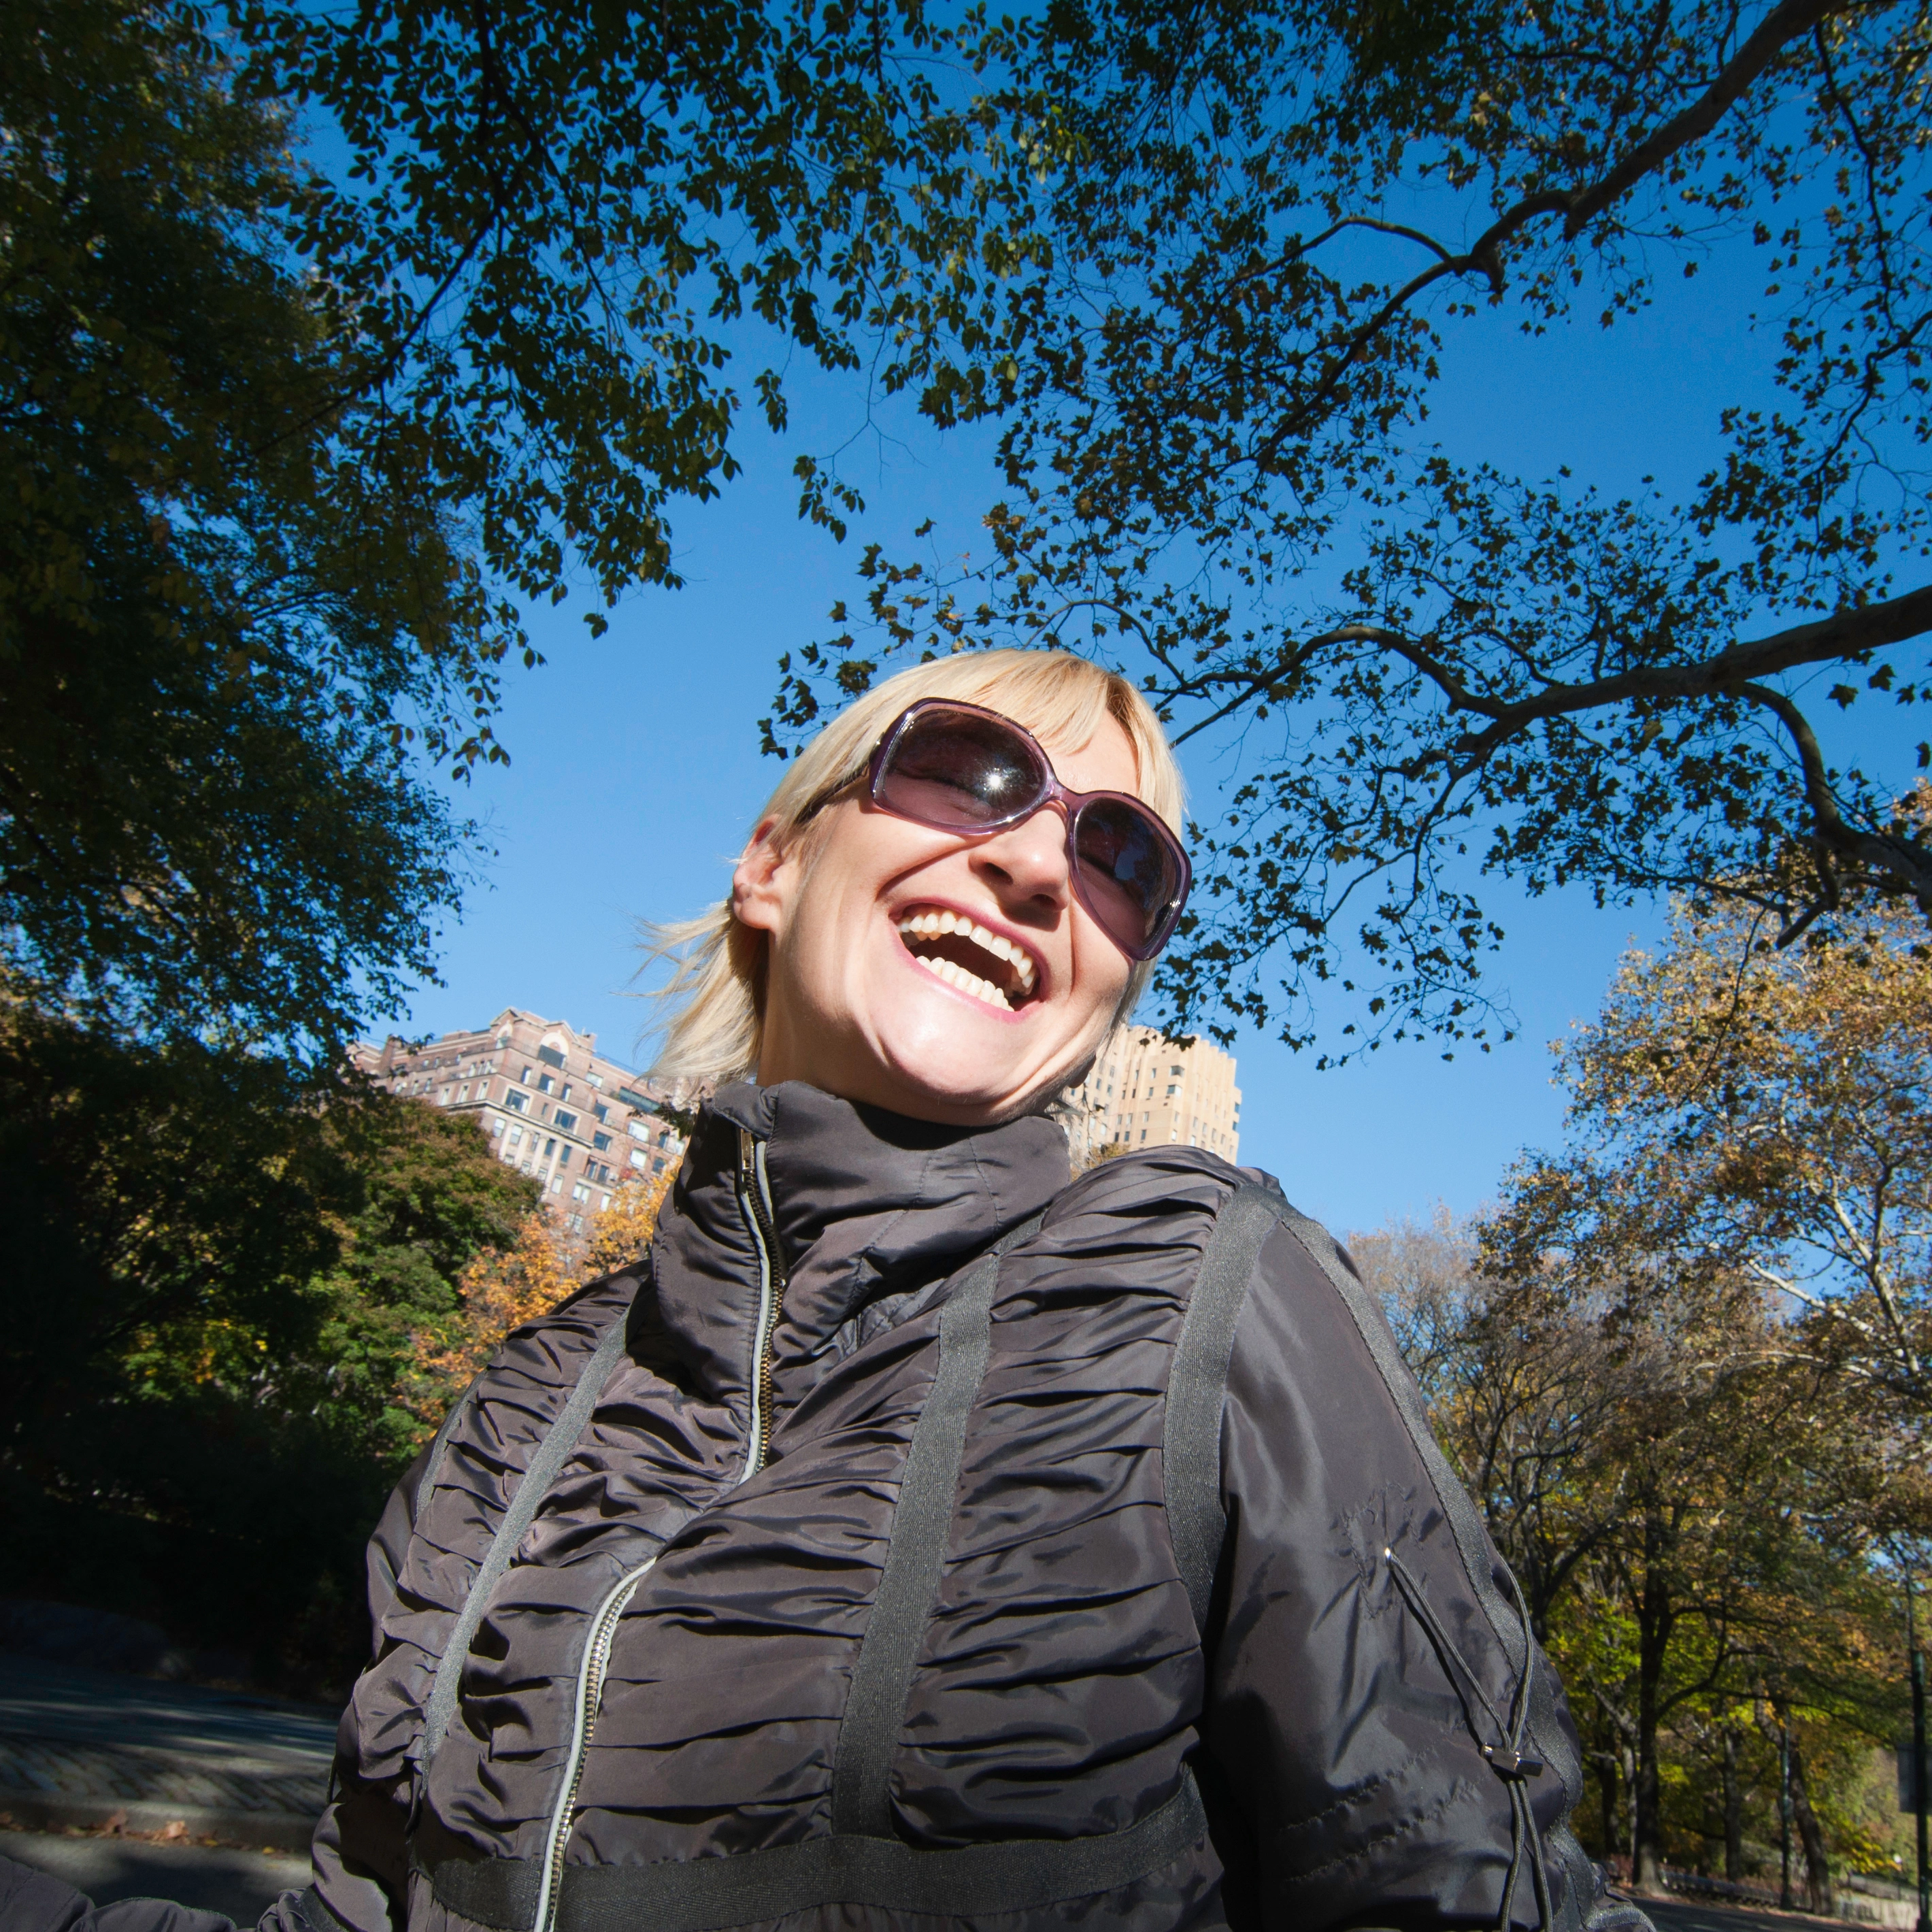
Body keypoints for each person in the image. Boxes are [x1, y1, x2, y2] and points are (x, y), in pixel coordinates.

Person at [3, 650, 1653, 1932]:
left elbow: (1463, 1881)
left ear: (1115, 981)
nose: (1032, 866)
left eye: (1120, 857)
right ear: (771, 863)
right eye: (964, 770)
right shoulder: (520, 1410)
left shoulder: (1210, 1301)